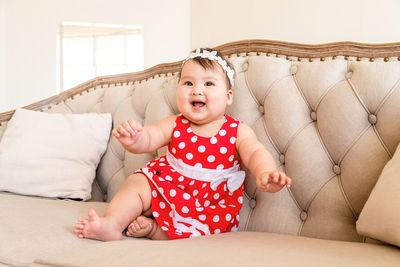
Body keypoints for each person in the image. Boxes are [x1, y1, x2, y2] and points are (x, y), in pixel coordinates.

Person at [74, 48, 292, 241]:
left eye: (208, 83)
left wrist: (266, 172)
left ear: (228, 97)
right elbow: (151, 137)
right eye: (188, 83)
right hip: (168, 187)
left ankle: (152, 230)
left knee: (200, 232)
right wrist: (135, 139)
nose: (197, 90)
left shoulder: (237, 130)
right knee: (137, 182)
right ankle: (112, 224)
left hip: (209, 203)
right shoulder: (175, 124)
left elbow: (254, 152)